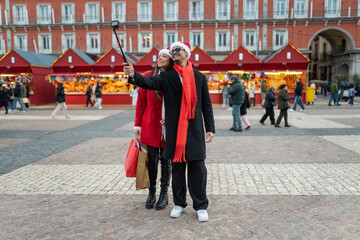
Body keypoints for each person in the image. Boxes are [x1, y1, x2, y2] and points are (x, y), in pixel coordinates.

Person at [123, 41, 215, 222]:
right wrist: (134, 75)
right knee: (178, 169)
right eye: (171, 50)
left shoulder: (199, 77)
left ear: (186, 53)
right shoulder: (167, 76)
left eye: (176, 50)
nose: (173, 53)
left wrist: (210, 128)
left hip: (194, 129)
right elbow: (149, 82)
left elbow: (206, 104)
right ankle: (179, 203)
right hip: (175, 130)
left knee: (198, 169)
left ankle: (201, 205)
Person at [134, 48, 174, 210]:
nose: (160, 58)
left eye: (164, 56)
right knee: (151, 160)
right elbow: (141, 102)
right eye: (159, 56)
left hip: (167, 127)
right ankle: (152, 192)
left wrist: (172, 117)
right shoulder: (147, 76)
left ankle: (164, 194)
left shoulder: (173, 77)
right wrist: (137, 124)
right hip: (150, 124)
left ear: (171, 60)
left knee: (166, 161)